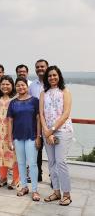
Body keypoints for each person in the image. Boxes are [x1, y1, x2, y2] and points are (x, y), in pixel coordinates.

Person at [40, 66, 73, 206]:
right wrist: (46, 131)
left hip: (62, 131)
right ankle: (56, 191)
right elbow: (41, 114)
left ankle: (66, 194)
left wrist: (51, 130)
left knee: (61, 162)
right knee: (52, 163)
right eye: (49, 76)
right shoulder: (43, 93)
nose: (52, 78)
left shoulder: (65, 91)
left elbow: (65, 114)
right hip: (47, 131)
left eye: (54, 75)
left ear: (59, 76)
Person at [7, 77, 41, 201]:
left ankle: (35, 190)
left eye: (23, 85)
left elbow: (38, 120)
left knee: (32, 164)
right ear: (15, 88)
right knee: (21, 163)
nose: (21, 87)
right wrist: (10, 140)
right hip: (17, 137)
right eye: (18, 86)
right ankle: (24, 187)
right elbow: (10, 121)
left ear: (27, 87)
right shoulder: (13, 103)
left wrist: (39, 137)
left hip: (31, 136)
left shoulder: (34, 101)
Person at [0, 75, 19, 189]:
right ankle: (3, 178)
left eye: (8, 84)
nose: (5, 86)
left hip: (12, 132)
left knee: (14, 156)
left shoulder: (16, 99)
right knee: (1, 155)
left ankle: (16, 179)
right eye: (3, 84)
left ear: (12, 86)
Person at [29, 59, 49, 182]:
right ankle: (37, 175)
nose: (40, 69)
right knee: (37, 149)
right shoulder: (32, 85)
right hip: (36, 122)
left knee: (53, 151)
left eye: (42, 66)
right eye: (37, 67)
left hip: (50, 123)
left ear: (47, 67)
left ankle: (54, 178)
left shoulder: (52, 83)